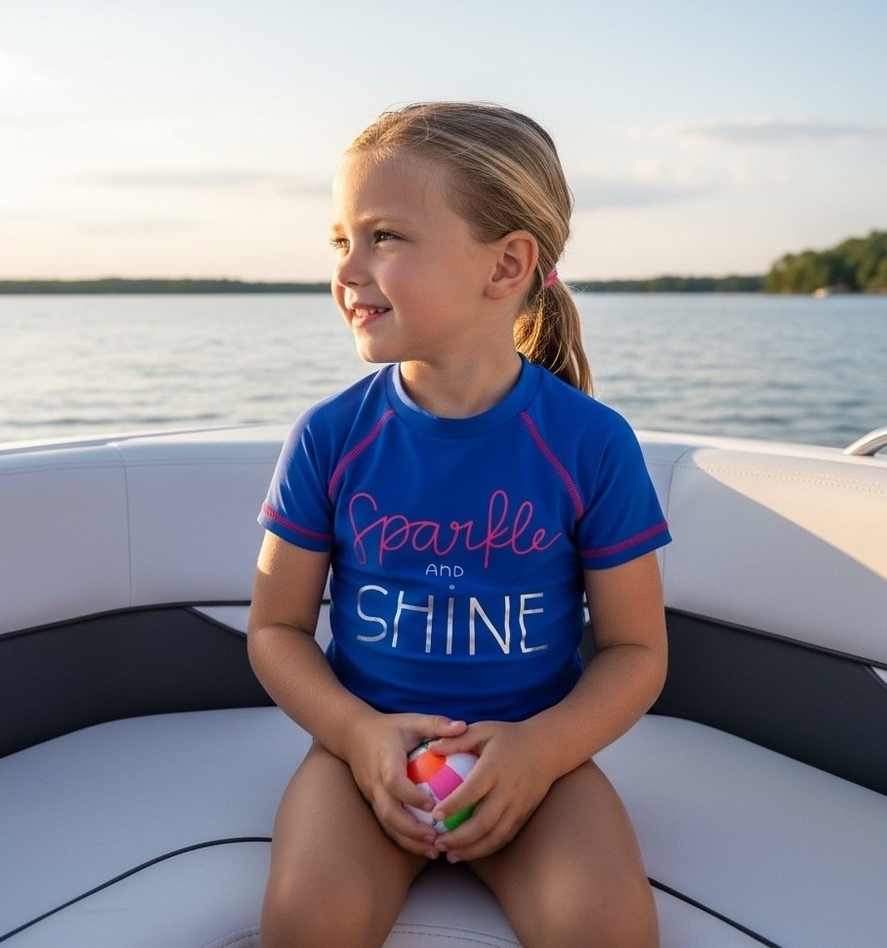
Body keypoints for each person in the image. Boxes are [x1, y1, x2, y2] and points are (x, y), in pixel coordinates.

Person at [247, 101, 671, 948]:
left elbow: (636, 652)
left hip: (539, 764)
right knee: (308, 919)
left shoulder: (589, 444)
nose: (349, 268)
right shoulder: (331, 437)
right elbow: (276, 628)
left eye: (386, 237)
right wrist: (356, 734)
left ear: (507, 263)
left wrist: (543, 750)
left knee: (606, 929)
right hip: (360, 757)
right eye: (342, 240)